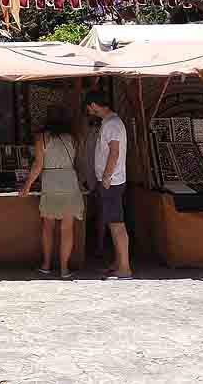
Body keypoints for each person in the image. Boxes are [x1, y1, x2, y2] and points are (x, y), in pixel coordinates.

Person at [20, 110, 84, 279]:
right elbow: (78, 162)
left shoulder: (42, 138)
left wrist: (27, 185)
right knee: (67, 229)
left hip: (51, 182)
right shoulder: (74, 139)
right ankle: (64, 269)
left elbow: (38, 165)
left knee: (48, 227)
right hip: (70, 181)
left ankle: (46, 265)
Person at [85, 91, 132, 279]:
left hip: (112, 182)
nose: (88, 111)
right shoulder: (110, 123)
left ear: (94, 105)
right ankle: (119, 262)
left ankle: (125, 268)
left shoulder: (112, 124)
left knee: (117, 224)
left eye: (89, 107)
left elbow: (114, 152)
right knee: (113, 223)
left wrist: (106, 176)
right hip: (112, 181)